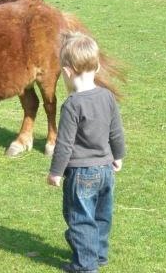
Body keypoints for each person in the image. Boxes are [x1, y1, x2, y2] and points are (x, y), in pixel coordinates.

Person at [47, 32, 125, 273]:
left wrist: (56, 172)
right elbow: (116, 131)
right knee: (102, 215)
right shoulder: (107, 97)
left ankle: (85, 265)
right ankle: (98, 255)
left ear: (68, 72)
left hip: (81, 174)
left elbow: (64, 144)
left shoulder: (72, 104)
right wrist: (118, 155)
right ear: (98, 65)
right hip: (106, 170)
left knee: (79, 218)